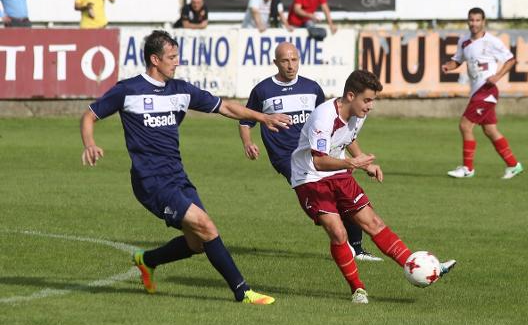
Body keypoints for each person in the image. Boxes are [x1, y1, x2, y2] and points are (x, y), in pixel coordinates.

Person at [80, 30, 292, 304]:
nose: (177, 62)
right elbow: (89, 115)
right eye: (172, 57)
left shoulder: (181, 90)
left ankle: (147, 260)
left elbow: (225, 107)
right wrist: (89, 143)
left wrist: (261, 117)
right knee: (206, 226)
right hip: (150, 181)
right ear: (154, 59)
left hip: (177, 177)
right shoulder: (128, 90)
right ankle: (243, 292)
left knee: (197, 243)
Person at [290, 70, 456, 303]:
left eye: (373, 101)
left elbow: (348, 138)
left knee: (374, 223)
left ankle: (420, 267)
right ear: (350, 95)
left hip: (338, 171)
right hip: (310, 177)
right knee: (338, 233)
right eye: (367, 100)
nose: (371, 106)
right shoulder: (323, 117)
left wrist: (366, 163)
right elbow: (318, 160)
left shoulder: (358, 114)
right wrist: (351, 162)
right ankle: (358, 289)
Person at [238, 43, 381, 261]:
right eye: (285, 61)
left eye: (294, 60)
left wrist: (363, 161)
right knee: (326, 193)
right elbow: (246, 120)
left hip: (319, 150)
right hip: (287, 158)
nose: (290, 65)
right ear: (276, 62)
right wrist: (248, 142)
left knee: (343, 189)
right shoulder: (263, 90)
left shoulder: (312, 88)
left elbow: (337, 128)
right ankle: (344, 243)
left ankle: (356, 249)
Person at [442, 7, 523, 179]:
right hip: (477, 91)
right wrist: (449, 66)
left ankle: (467, 168)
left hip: (486, 90)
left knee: (465, 125)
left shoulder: (492, 41)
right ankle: (513, 165)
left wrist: (498, 76)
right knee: (490, 130)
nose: (474, 23)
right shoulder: (464, 41)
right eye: (471, 20)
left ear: (483, 22)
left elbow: (511, 59)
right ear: (468, 21)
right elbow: (457, 60)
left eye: (477, 20)